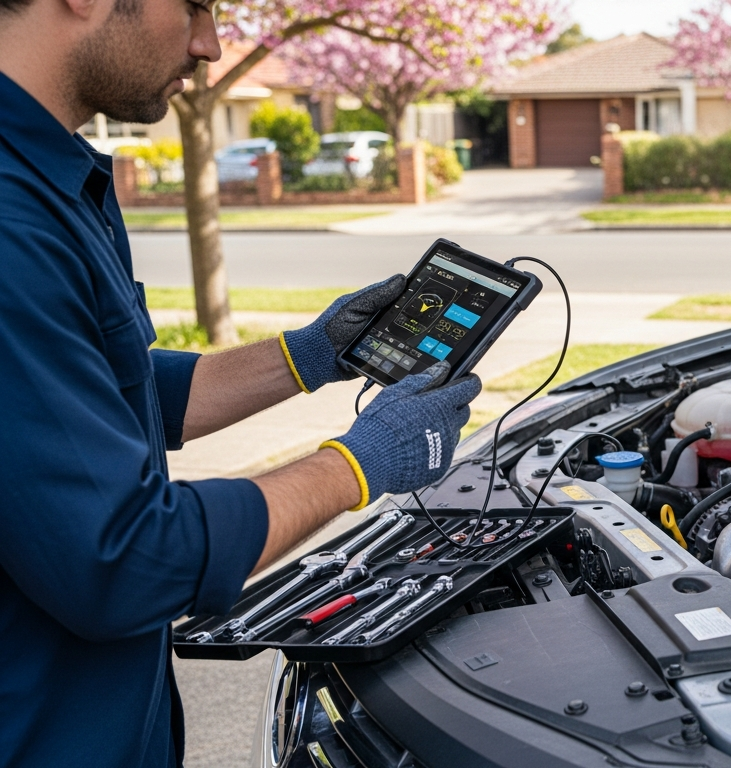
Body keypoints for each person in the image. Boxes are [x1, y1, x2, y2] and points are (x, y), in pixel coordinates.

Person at [0, 0, 483, 765]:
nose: (211, 45)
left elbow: (106, 394)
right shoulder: (11, 223)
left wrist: (309, 354)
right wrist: (357, 464)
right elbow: (124, 560)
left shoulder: (51, 176)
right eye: (194, 6)